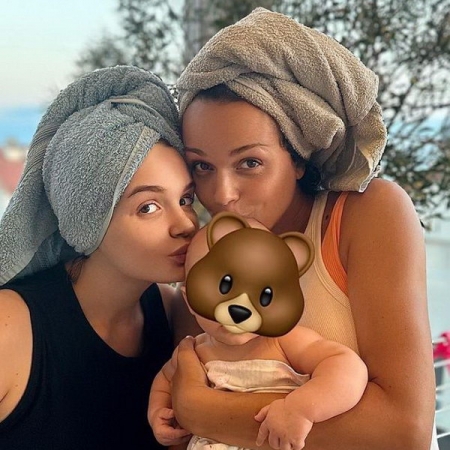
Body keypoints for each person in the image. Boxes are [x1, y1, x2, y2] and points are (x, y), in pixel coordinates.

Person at [171, 7, 438, 450]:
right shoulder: (207, 252)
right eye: (202, 166)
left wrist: (202, 411)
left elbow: (403, 429)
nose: (221, 194)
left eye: (249, 162)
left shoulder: (364, 216)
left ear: (297, 158)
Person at [0, 65, 199, 449]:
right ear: (88, 219)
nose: (185, 224)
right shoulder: (10, 326)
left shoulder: (173, 313)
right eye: (148, 207)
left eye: (185, 199)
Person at [148, 212, 368, 450]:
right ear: (189, 300)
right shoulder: (194, 351)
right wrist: (158, 413)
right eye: (225, 286)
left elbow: (348, 367)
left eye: (263, 294)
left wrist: (303, 407)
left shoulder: (283, 341)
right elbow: (164, 380)